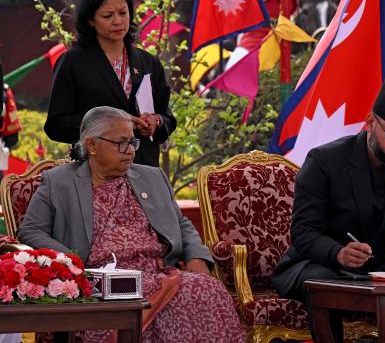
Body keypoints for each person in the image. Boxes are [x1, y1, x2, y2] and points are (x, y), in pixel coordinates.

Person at [19, 106, 242, 342]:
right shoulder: (59, 181)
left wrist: (197, 258)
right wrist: (71, 261)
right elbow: (30, 230)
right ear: (92, 145)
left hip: (159, 272)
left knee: (208, 289)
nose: (131, 152)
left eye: (133, 142)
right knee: (184, 295)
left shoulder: (152, 177)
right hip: (102, 281)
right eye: (121, 143)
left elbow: (181, 223)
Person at [272, 74, 385, 342]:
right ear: (371, 123)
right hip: (318, 263)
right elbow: (303, 233)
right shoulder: (325, 160)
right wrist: (338, 253)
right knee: (327, 284)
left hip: (377, 266)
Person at [44, 0, 176, 167]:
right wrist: (109, 123)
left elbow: (167, 117)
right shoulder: (73, 62)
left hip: (144, 168)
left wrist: (156, 122)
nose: (118, 21)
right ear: (90, 20)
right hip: (95, 170)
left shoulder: (149, 63)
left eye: (123, 13)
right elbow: (57, 125)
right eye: (107, 16)